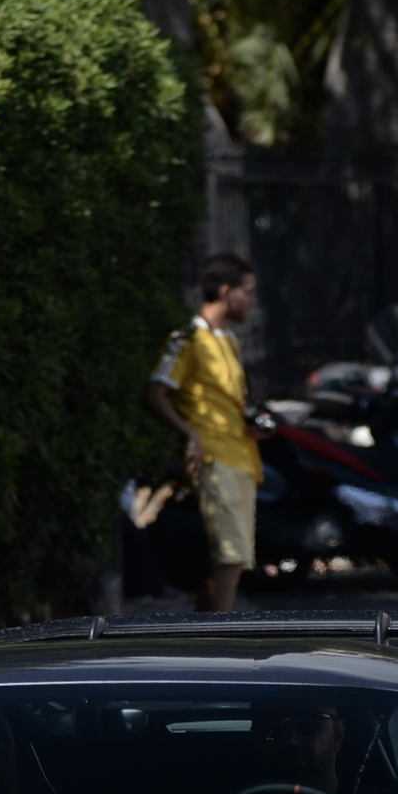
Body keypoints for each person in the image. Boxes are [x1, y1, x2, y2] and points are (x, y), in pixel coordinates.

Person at [149, 254, 265, 613]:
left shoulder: (227, 339)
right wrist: (191, 435)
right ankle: (224, 642)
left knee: (232, 558)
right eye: (248, 292)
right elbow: (155, 392)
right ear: (226, 291)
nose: (252, 300)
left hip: (241, 454)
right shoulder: (187, 337)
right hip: (215, 457)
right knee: (231, 556)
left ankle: (205, 632)